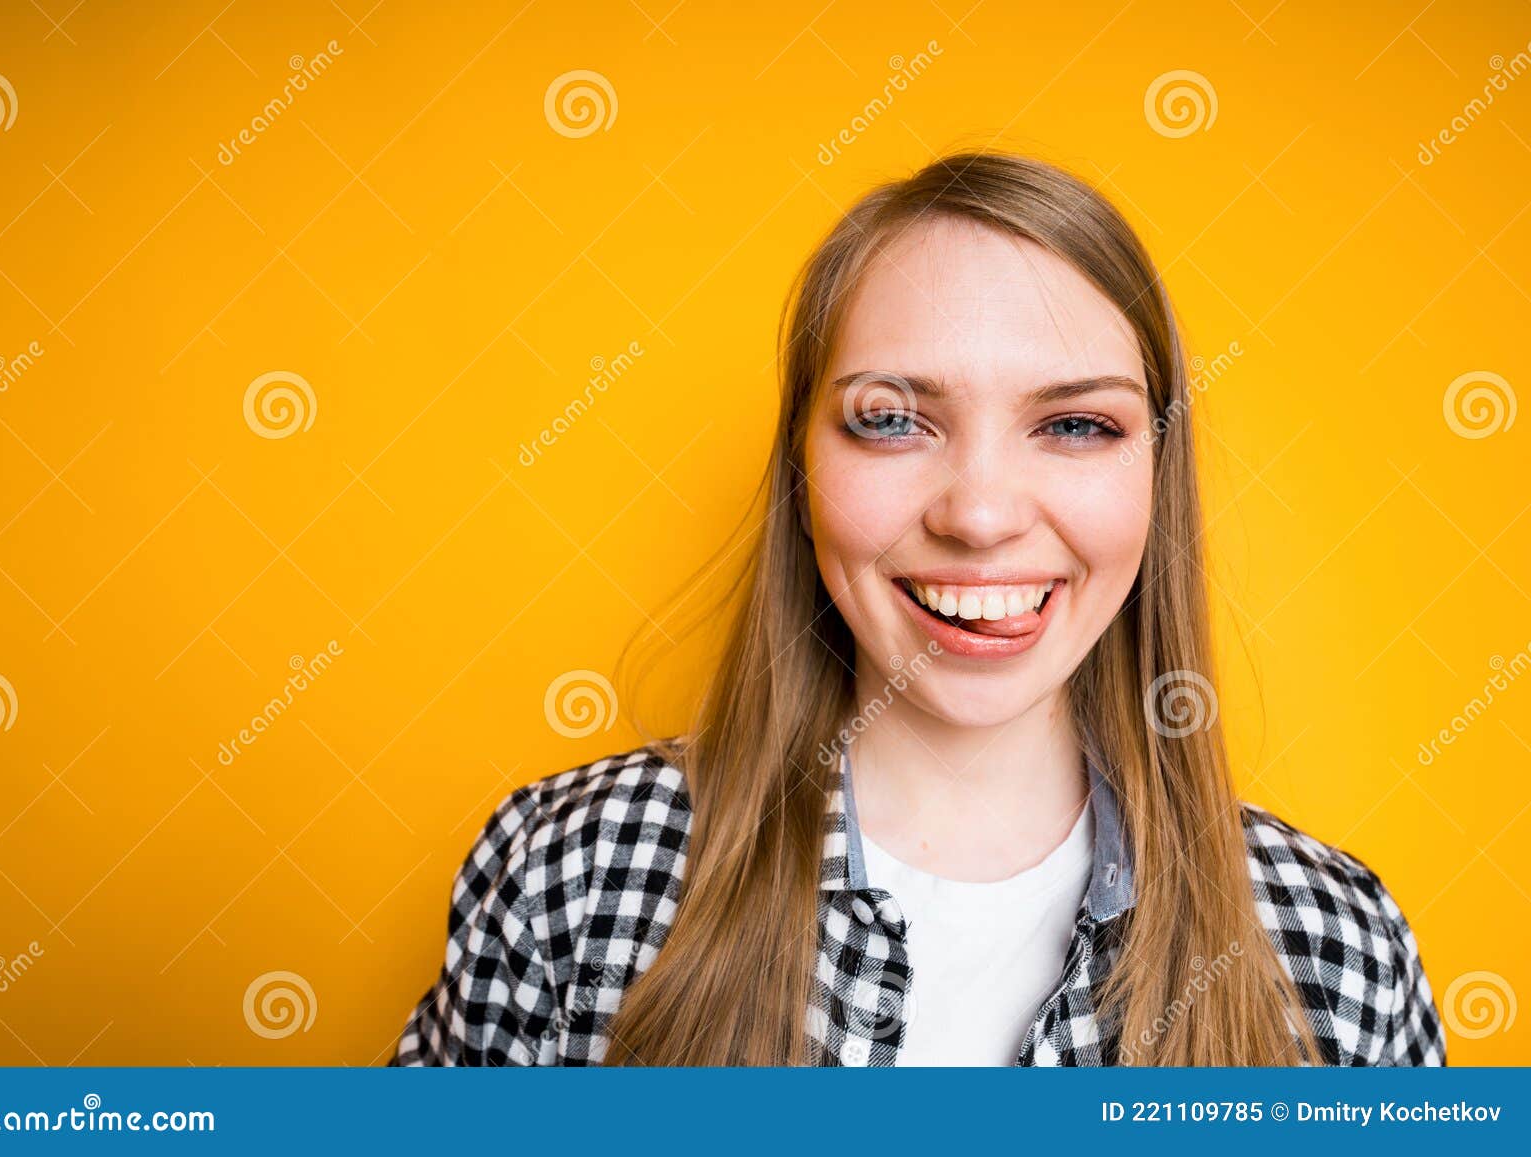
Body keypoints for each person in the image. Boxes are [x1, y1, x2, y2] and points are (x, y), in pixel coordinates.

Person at [389, 150, 1445, 1067]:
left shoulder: (1334, 944)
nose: (980, 515)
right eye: (892, 420)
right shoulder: (565, 875)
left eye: (1075, 425)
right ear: (801, 471)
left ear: (1154, 474)